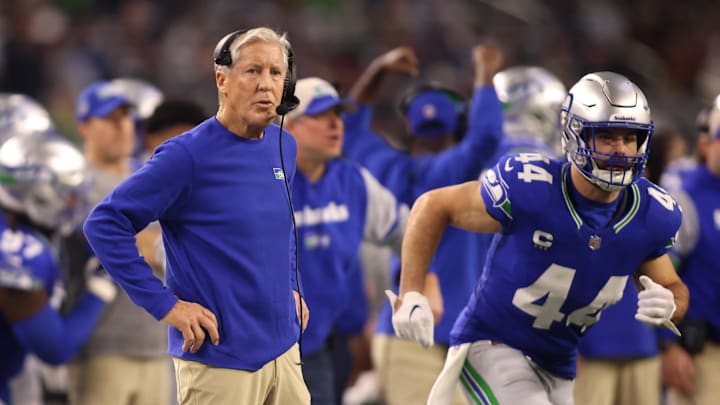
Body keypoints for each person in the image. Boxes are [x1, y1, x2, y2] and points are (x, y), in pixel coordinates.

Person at [393, 71, 689, 405]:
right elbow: (433, 205)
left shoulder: (649, 213)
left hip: (558, 364)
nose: (621, 150)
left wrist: (671, 305)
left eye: (630, 137)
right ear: (574, 134)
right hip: (492, 343)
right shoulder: (532, 187)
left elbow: (672, 286)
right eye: (606, 136)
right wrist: (410, 291)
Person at [82, 27, 310, 405]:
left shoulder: (283, 144)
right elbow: (104, 224)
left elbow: (281, 230)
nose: (266, 85)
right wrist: (166, 305)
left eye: (276, 72)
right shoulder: (185, 156)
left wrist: (293, 284)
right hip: (220, 361)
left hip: (285, 352)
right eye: (253, 71)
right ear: (222, 79)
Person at [342, 45, 504, 405]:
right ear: (459, 124)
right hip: (457, 330)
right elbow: (487, 136)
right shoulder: (456, 170)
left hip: (402, 328)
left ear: (409, 125)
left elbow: (349, 128)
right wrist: (485, 74)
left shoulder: (385, 166)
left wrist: (376, 70)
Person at [283, 77, 408, 405]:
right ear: (290, 124)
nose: (336, 125)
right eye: (322, 116)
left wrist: (422, 284)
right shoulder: (259, 178)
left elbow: (408, 232)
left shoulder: (352, 181)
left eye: (338, 115)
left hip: (316, 348)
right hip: (251, 348)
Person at [62, 79, 171, 405]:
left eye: (126, 119)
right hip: (101, 345)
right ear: (83, 126)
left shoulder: (150, 175)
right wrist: (151, 245)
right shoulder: (72, 181)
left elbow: (172, 243)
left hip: (157, 342)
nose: (122, 128)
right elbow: (103, 239)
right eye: (110, 120)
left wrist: (146, 244)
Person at [0, 130, 116, 405]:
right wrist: (101, 285)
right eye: (67, 193)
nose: (74, 202)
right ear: (36, 193)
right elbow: (55, 348)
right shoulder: (18, 254)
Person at [658, 95, 720, 405]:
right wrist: (667, 346)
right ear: (707, 143)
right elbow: (659, 279)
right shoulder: (685, 199)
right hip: (704, 357)